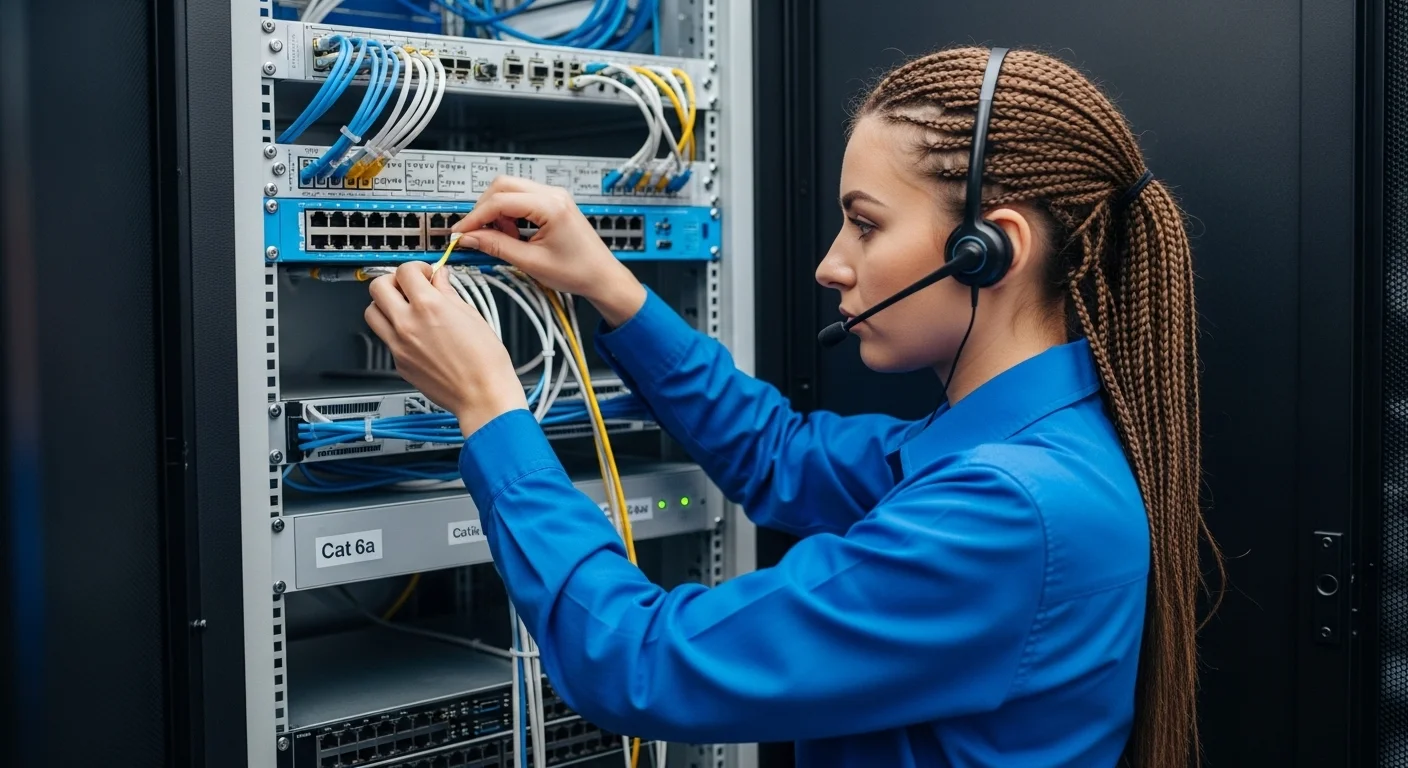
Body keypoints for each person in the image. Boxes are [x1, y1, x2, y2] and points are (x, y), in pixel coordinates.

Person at [362, 45, 1221, 768]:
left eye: (865, 224)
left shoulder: (1009, 511)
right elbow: (781, 456)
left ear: (988, 249)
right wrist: (608, 285)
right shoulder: (1026, 449)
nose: (831, 264)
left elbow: (640, 661)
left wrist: (489, 408)